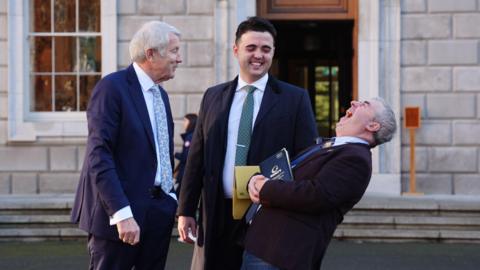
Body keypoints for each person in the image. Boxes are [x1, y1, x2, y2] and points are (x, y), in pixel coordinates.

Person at [177, 16, 318, 270]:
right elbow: (197, 156)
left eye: (266, 49)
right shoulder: (213, 96)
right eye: (251, 48)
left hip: (267, 215)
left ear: (273, 52)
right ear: (236, 50)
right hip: (216, 213)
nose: (258, 55)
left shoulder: (294, 99)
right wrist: (185, 210)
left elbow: (306, 161)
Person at [70, 21, 182, 270]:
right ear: (151, 53)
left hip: (158, 213)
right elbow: (99, 156)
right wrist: (121, 214)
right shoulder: (112, 88)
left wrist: (170, 198)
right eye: (174, 51)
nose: (180, 59)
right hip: (120, 217)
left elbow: (159, 152)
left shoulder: (160, 94)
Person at [242, 97, 397, 270]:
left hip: (281, 253)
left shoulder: (356, 159)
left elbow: (316, 195)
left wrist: (266, 188)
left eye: (365, 104)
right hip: (264, 245)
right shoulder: (332, 146)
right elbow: (288, 172)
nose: (354, 102)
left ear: (373, 126)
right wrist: (256, 179)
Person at [174, 113, 198, 198]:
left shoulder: (190, 137)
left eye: (185, 121)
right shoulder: (193, 136)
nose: (183, 123)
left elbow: (186, 156)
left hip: (185, 174)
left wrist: (175, 154)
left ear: (191, 122)